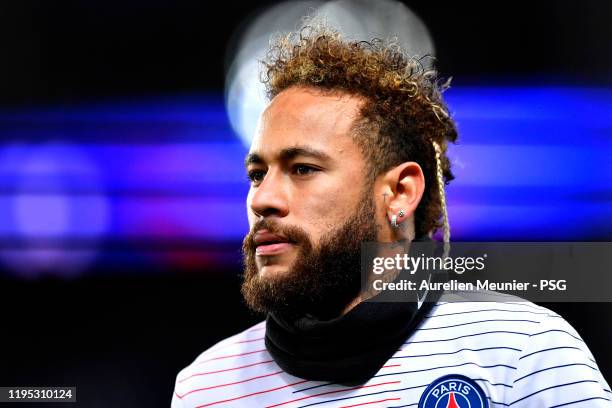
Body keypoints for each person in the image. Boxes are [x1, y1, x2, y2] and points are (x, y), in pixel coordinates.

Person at [172, 25, 611, 408]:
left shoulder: (522, 354)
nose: (262, 199)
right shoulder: (204, 388)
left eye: (303, 168)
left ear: (400, 192)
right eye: (256, 174)